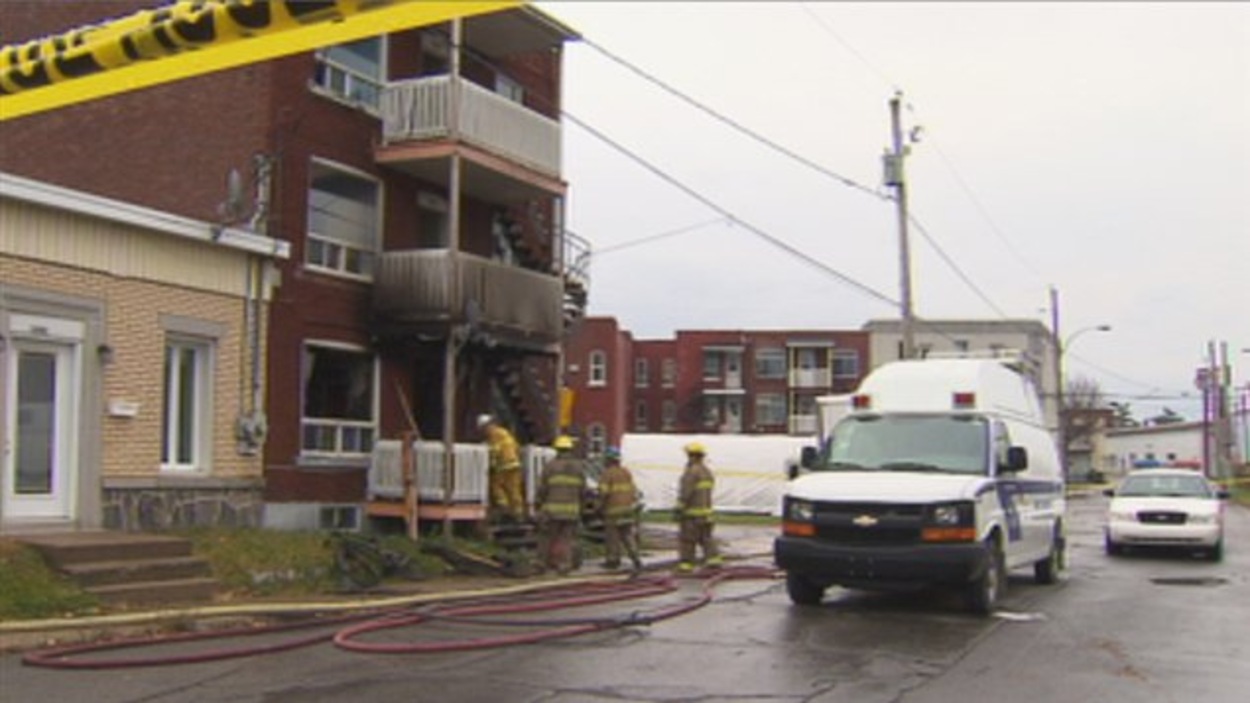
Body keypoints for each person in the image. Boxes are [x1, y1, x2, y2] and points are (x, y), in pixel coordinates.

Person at [535, 435, 587, 575]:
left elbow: (542, 489)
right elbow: (583, 491)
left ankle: (541, 564)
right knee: (566, 539)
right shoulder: (579, 467)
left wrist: (538, 503)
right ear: (570, 449)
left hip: (552, 510)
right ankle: (564, 565)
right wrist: (581, 508)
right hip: (572, 511)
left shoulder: (550, 466)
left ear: (557, 449)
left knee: (546, 537)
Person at [676, 441, 721, 572]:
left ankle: (686, 564)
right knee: (707, 539)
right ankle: (713, 560)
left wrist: (679, 508)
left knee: (687, 540)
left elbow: (686, 492)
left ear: (692, 456)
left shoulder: (691, 472)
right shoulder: (707, 472)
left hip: (692, 514)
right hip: (706, 514)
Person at [597, 446, 643, 573]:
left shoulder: (607, 473)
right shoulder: (626, 472)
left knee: (612, 536)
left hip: (613, 510)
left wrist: (599, 507)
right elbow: (633, 490)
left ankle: (613, 561)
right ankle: (636, 558)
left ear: (608, 459)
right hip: (627, 510)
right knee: (627, 535)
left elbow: (604, 493)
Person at [477, 413, 525, 523]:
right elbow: (516, 446)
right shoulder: (505, 433)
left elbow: (495, 450)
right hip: (514, 464)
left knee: (496, 486)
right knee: (514, 489)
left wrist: (492, 464)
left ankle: (504, 508)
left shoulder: (493, 435)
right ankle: (518, 513)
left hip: (503, 465)